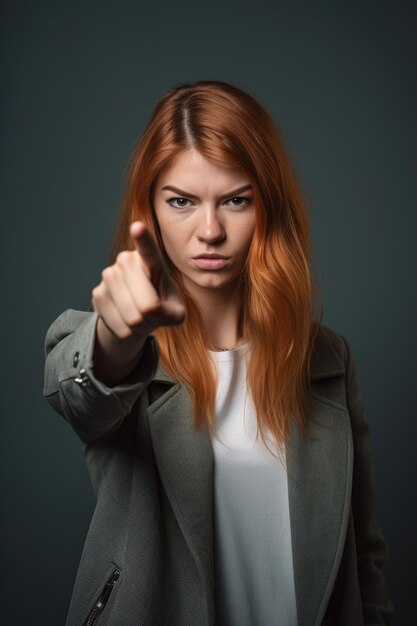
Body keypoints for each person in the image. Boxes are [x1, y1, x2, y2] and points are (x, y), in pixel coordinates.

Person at [43, 80, 393, 626]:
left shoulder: (328, 359)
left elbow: (361, 557)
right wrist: (116, 335)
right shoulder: (129, 349)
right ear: (150, 209)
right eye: (181, 201)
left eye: (235, 200)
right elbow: (80, 392)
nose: (210, 231)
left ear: (267, 206)